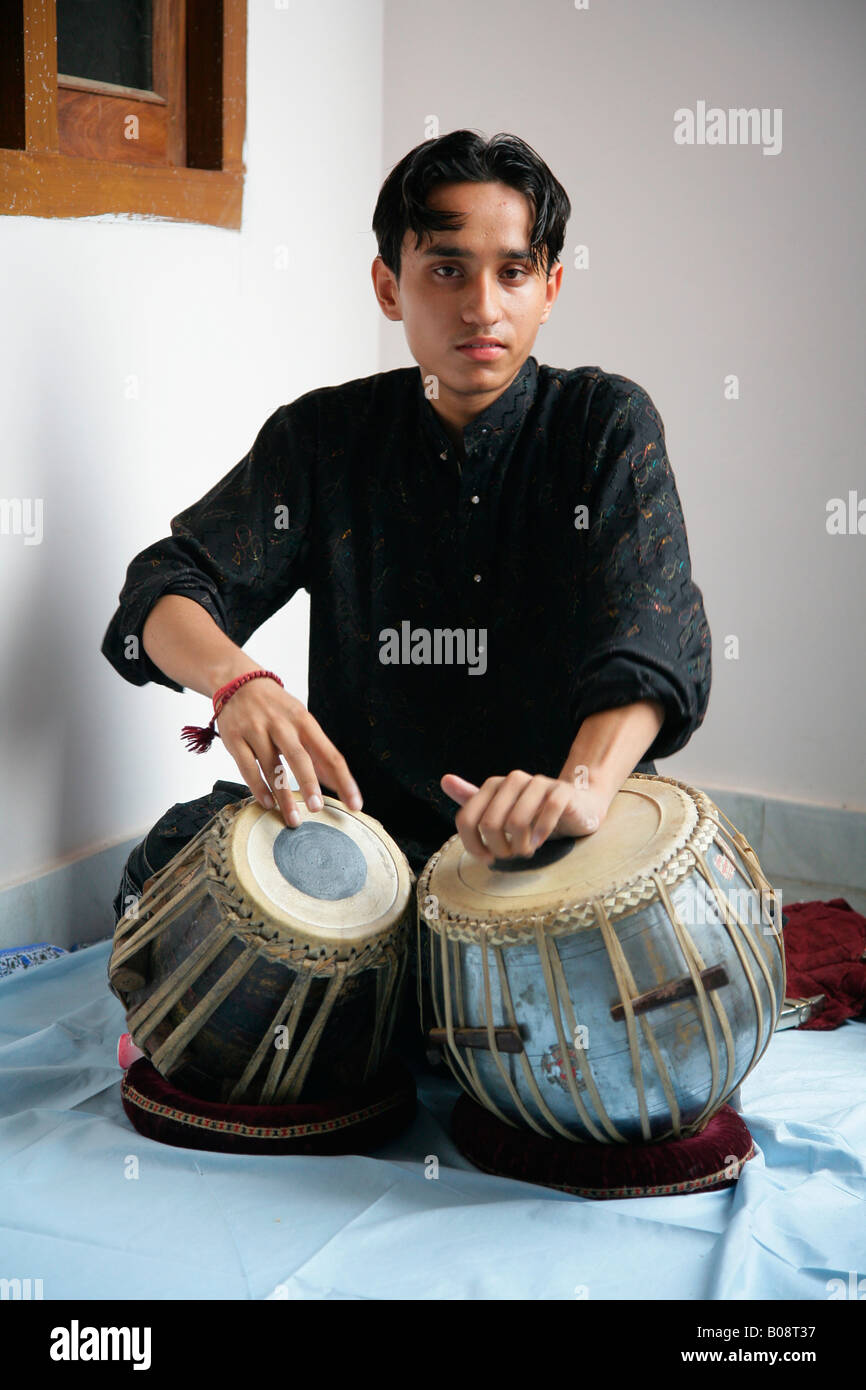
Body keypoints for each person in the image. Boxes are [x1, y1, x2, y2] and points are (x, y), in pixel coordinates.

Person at [102, 130, 711, 1046]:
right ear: (389, 286)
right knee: (171, 862)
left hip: (558, 845)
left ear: (551, 286)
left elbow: (654, 632)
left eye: (513, 272)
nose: (482, 306)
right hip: (367, 849)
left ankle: (406, 1015)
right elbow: (166, 585)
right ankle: (420, 1009)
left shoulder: (603, 424)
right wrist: (235, 680)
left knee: (667, 947)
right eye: (447, 270)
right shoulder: (324, 438)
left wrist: (579, 790)